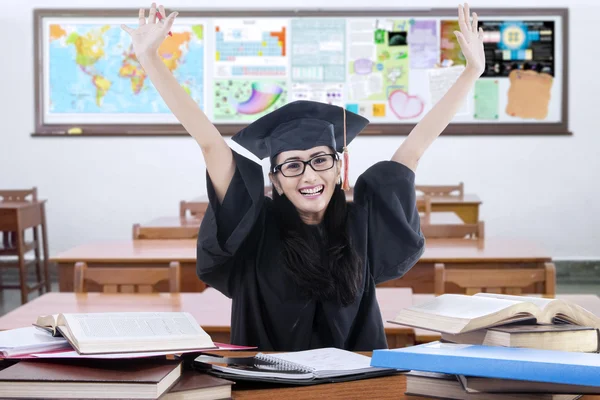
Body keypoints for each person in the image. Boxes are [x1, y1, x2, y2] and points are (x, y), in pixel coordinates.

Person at [122, 3, 485, 351]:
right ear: (275, 181)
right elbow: (210, 145)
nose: (309, 174)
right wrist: (150, 59)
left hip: (355, 387)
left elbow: (414, 148)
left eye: (320, 160)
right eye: (292, 165)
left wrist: (471, 71)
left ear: (340, 168)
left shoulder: (362, 224)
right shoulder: (255, 229)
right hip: (268, 386)